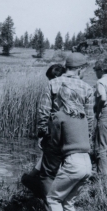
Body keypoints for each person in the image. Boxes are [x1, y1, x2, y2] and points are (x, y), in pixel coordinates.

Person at [42, 84, 92, 211]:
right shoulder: (82, 116)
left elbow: (55, 143)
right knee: (68, 201)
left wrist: (45, 144)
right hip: (87, 162)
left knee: (53, 199)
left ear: (60, 99)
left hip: (73, 162)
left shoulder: (58, 116)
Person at [21, 63, 66, 200]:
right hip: (71, 130)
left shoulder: (52, 85)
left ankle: (49, 200)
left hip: (55, 129)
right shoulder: (76, 85)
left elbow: (44, 111)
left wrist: (41, 133)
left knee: (48, 159)